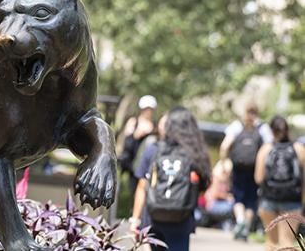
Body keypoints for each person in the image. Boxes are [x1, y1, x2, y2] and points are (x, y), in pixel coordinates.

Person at [130, 107, 211, 251]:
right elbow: (203, 186)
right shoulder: (194, 153)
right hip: (182, 219)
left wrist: (135, 219)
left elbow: (142, 186)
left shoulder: (153, 149)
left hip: (153, 217)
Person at [219, 103, 273, 240]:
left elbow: (224, 146)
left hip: (238, 169)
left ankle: (240, 221)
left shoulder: (237, 126)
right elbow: (269, 149)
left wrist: (225, 163)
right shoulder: (263, 128)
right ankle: (246, 228)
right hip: (255, 170)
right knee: (251, 200)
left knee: (238, 198)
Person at [254, 116, 305, 251]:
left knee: (271, 242)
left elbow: (258, 178)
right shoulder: (299, 149)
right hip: (292, 200)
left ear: (271, 131)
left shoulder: (266, 149)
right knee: (287, 242)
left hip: (268, 199)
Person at [119, 95, 157, 207]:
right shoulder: (133, 122)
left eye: (150, 109)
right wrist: (137, 134)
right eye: (146, 109)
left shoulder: (154, 125)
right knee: (134, 190)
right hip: (134, 165)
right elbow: (126, 141)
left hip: (149, 163)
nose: (148, 111)